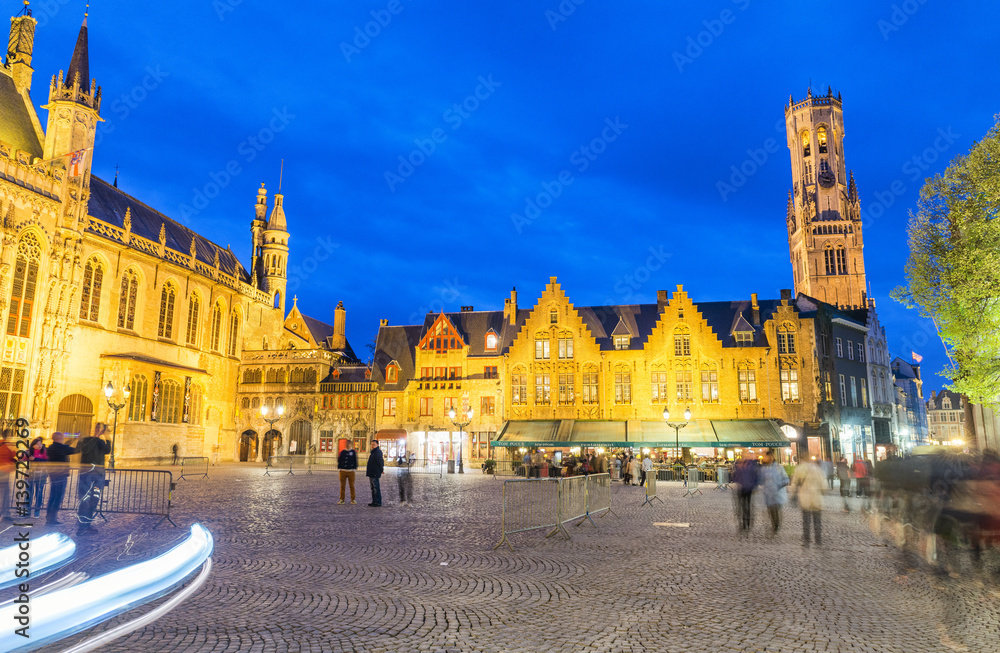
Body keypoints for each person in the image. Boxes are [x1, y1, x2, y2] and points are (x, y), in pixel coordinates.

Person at [76, 423, 111, 534]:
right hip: (87, 475)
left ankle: (88, 524)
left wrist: (108, 439)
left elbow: (107, 451)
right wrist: (96, 436)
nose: (99, 430)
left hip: (99, 475)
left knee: (94, 499)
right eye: (97, 428)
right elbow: (85, 450)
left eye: (101, 429)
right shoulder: (85, 440)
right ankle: (81, 527)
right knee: (85, 500)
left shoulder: (100, 442)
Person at [792, 457, 827, 547]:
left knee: (806, 520)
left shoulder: (799, 469)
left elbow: (794, 483)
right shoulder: (817, 469)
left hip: (805, 498)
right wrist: (821, 492)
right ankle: (818, 540)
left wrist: (793, 494)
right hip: (816, 498)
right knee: (817, 520)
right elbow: (824, 485)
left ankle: (807, 540)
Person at [45, 432, 75, 525]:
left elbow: (65, 447)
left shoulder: (50, 448)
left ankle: (49, 517)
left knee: (53, 496)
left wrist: (72, 440)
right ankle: (52, 519)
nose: (63, 439)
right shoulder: (61, 448)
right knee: (58, 497)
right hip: (61, 475)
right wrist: (81, 441)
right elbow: (74, 450)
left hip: (53, 475)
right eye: (62, 438)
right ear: (59, 438)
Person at [759, 450, 789, 533]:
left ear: (772, 457)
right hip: (768, 494)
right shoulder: (763, 468)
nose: (766, 458)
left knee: (776, 509)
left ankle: (776, 525)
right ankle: (774, 525)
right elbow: (761, 480)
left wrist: (779, 486)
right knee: (771, 510)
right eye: (765, 457)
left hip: (777, 493)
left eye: (767, 456)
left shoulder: (779, 467)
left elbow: (786, 479)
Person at [732, 456, 759, 531]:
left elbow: (754, 477)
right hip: (741, 489)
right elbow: (734, 478)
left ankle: (748, 521)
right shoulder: (738, 468)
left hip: (748, 489)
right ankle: (743, 523)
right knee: (742, 506)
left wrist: (754, 486)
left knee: (747, 506)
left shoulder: (750, 467)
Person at [28, 437, 48, 518]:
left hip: (41, 476)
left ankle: (37, 511)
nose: (40, 445)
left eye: (41, 444)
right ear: (33, 445)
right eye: (37, 444)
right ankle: (28, 511)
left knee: (39, 494)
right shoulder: (29, 452)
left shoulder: (44, 452)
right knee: (29, 493)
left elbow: (46, 461)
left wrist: (35, 459)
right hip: (31, 475)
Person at [0, 431, 14, 522]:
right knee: (4, 495)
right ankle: (5, 514)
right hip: (4, 471)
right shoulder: (7, 445)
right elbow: (13, 454)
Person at [366, 439, 384, 507]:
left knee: (376, 488)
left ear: (377, 445)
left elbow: (380, 462)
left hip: (375, 472)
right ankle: (374, 501)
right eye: (371, 444)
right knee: (373, 488)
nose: (372, 446)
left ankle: (378, 502)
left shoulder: (378, 452)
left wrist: (381, 470)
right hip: (371, 472)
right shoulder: (373, 452)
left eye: (374, 444)